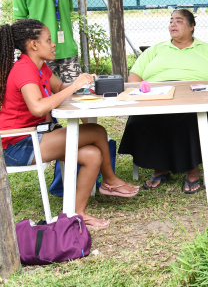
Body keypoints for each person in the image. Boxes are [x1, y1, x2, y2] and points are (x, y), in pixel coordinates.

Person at [0, 19, 139, 230]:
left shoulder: (40, 67)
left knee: (93, 155)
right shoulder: (24, 70)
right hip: (16, 145)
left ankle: (77, 213)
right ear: (34, 45)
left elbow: (61, 88)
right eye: (48, 40)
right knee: (96, 131)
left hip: (35, 135)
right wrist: (74, 85)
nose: (54, 43)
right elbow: (38, 107)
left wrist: (85, 86)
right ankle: (110, 181)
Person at [118, 9, 208, 194]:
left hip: (196, 95)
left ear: (191, 26)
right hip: (158, 95)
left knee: (189, 118)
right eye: (171, 21)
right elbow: (135, 75)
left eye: (179, 21)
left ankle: (193, 169)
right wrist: (140, 93)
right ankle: (160, 167)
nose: (173, 24)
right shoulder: (156, 49)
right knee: (143, 118)